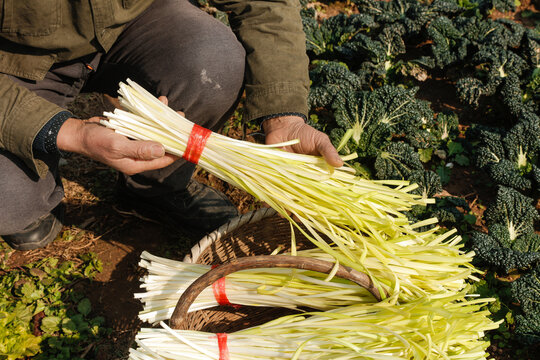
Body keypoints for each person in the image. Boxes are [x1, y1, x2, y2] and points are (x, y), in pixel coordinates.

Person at [0, 0, 342, 251]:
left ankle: (154, 187)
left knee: (214, 61)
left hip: (132, 24)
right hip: (15, 62)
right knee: (8, 200)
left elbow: (264, 4)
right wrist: (70, 133)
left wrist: (284, 117)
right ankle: (31, 195)